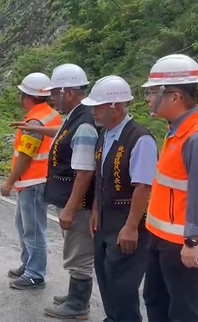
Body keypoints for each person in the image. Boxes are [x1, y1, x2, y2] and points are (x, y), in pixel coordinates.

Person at [12, 64, 98, 318]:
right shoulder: (77, 116)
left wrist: (70, 208)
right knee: (73, 249)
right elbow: (60, 133)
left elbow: (84, 172)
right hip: (66, 195)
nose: (53, 98)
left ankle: (78, 304)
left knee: (78, 252)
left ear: (68, 92)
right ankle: (74, 296)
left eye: (56, 93)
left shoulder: (83, 122)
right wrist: (33, 129)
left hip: (76, 200)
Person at [81, 75, 157, 322]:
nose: (94, 111)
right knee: (106, 276)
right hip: (105, 221)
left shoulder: (139, 139)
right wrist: (94, 210)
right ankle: (112, 318)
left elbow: (143, 187)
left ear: (115, 106)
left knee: (123, 285)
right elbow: (101, 178)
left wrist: (132, 227)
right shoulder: (105, 135)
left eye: (98, 106)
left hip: (126, 224)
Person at [141, 54, 198, 322]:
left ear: (175, 97)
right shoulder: (176, 130)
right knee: (155, 299)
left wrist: (193, 242)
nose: (149, 99)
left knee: (183, 310)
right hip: (160, 238)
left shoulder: (194, 137)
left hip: (181, 245)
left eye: (154, 93)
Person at [4, 72, 62, 290]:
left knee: (33, 229)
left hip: (33, 182)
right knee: (23, 225)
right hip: (35, 181)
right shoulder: (50, 114)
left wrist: (9, 182)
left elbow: (26, 157)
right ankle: (28, 263)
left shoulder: (35, 122)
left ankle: (35, 273)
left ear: (26, 96)